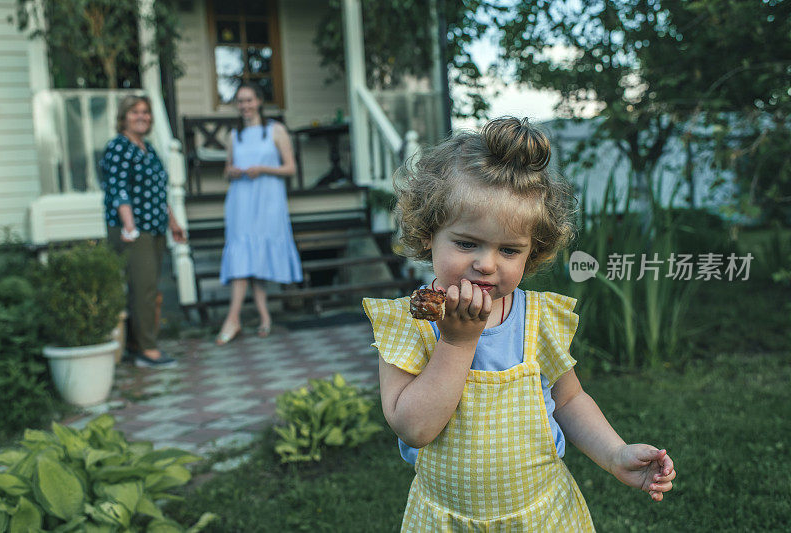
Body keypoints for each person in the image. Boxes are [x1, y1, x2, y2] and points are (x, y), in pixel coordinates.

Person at [362, 117, 676, 531]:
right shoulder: (410, 323)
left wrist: (615, 454)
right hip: (449, 519)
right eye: (466, 243)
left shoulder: (538, 318)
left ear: (533, 253)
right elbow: (415, 428)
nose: (486, 264)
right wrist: (457, 344)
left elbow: (568, 400)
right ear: (428, 234)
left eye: (509, 249)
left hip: (541, 515)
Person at [99, 95, 186, 369]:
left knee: (145, 288)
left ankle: (135, 344)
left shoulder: (148, 148)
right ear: (124, 116)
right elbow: (118, 188)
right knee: (143, 289)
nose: (143, 116)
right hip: (133, 229)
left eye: (146, 112)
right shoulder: (118, 147)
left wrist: (173, 222)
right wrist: (129, 226)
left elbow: (159, 192)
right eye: (135, 111)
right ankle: (147, 349)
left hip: (155, 227)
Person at [215, 83, 302, 345]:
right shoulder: (234, 136)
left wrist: (263, 168)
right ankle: (240, 318)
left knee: (258, 258)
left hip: (267, 202)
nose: (245, 106)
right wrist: (232, 171)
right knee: (244, 255)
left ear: (259, 101)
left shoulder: (275, 130)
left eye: (249, 100)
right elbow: (226, 169)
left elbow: (290, 169)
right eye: (240, 101)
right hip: (240, 201)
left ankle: (248, 318)